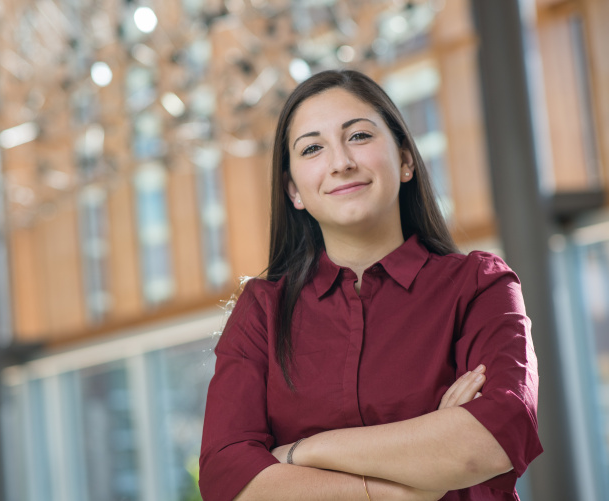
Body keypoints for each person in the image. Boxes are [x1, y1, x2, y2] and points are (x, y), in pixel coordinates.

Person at [199, 69, 542, 500]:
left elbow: (490, 440)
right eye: (312, 148)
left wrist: (300, 453)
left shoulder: (480, 285)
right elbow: (227, 479)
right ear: (294, 191)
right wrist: (411, 483)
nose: (341, 162)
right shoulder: (261, 312)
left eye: (359, 136)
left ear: (404, 160)